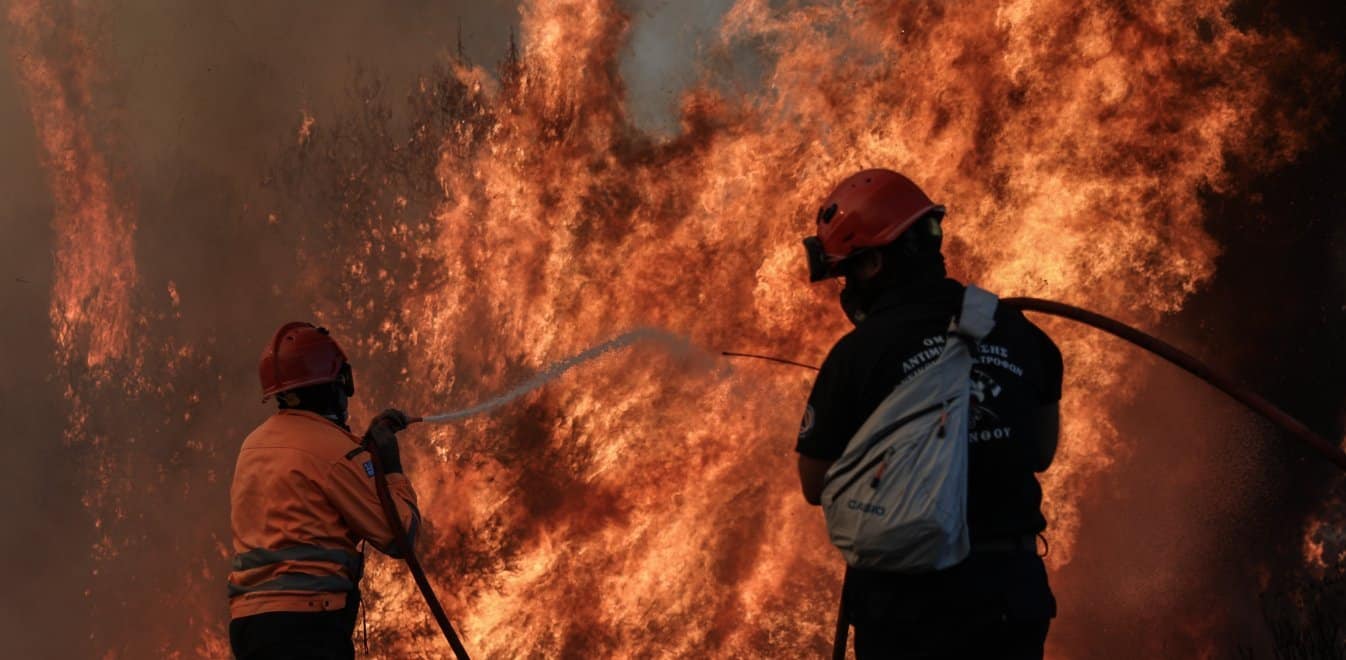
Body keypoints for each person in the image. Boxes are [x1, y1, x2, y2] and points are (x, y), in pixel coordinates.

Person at [797, 169, 1063, 659]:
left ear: (873, 263)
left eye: (848, 271)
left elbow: (816, 485)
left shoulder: (857, 356)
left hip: (911, 614)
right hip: (1010, 602)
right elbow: (1040, 451)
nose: (846, 287)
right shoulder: (1017, 331)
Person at [228, 321, 420, 660]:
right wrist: (390, 466)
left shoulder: (252, 447)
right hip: (308, 629)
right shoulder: (335, 452)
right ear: (337, 385)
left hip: (249, 627)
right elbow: (400, 535)